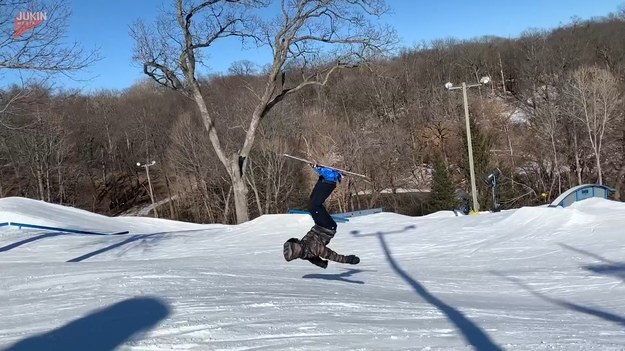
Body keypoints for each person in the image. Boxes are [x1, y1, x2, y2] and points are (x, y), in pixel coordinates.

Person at [283, 164, 360, 268]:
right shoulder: (315, 248)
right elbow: (332, 256)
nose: (297, 239)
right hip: (327, 228)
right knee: (314, 206)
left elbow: (312, 259)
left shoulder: (304, 252)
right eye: (295, 242)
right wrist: (348, 260)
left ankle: (323, 179)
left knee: (311, 203)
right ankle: (332, 178)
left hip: (320, 226)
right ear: (297, 248)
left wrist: (321, 264)